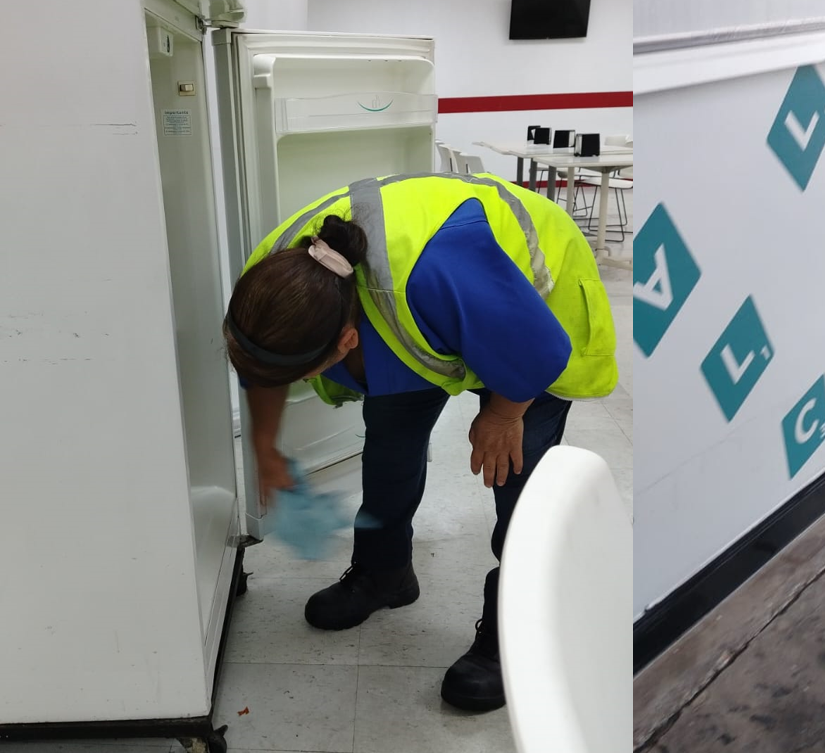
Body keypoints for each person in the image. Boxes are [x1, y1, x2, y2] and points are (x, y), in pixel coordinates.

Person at [224, 169, 618, 709]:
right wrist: (265, 448)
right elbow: (264, 368)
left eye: (301, 373)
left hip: (530, 299)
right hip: (437, 299)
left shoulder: (435, 275)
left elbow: (541, 349)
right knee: (389, 446)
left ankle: (518, 630)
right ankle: (385, 573)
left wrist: (504, 415)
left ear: (346, 341)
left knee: (518, 476)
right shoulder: (274, 278)